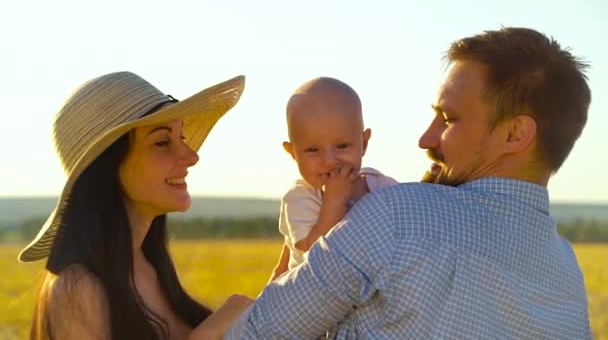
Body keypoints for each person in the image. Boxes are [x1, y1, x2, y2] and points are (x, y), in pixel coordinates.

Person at [226, 27, 592, 339]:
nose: (425, 139)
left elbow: (257, 333)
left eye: (448, 120)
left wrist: (232, 311)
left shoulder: (397, 213)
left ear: (515, 134)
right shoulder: (568, 272)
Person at [20, 71, 254, 340]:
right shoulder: (77, 289)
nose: (191, 157)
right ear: (108, 164)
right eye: (162, 142)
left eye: (183, 138)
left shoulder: (148, 266)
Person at [269, 77, 398, 282]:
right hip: (309, 299)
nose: (330, 161)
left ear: (363, 143)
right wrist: (334, 200)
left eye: (342, 146)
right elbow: (315, 254)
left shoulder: (381, 185)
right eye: (313, 150)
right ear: (293, 152)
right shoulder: (300, 198)